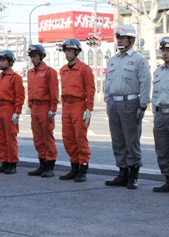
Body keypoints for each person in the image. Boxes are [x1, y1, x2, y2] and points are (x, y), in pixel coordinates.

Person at [104, 24, 151, 190]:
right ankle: (122, 172)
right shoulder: (113, 60)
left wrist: (143, 105)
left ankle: (133, 174)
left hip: (131, 103)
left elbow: (145, 83)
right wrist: (107, 101)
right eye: (118, 38)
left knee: (131, 140)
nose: (120, 41)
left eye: (123, 38)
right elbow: (108, 82)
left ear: (131, 40)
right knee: (117, 140)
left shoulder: (139, 59)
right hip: (114, 103)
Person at [58, 38, 95, 182]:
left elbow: (90, 90)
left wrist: (89, 109)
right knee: (68, 137)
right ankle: (74, 167)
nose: (67, 53)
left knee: (80, 137)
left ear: (77, 52)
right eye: (65, 51)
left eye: (69, 51)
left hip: (79, 105)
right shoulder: (63, 70)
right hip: (66, 106)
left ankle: (83, 167)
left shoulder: (84, 69)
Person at [26, 44, 59, 177]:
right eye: (31, 57)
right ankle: (42, 164)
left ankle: (50, 165)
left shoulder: (49, 72)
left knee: (47, 137)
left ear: (41, 56)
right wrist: (30, 105)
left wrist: (53, 109)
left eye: (34, 56)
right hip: (34, 107)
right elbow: (29, 90)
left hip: (45, 107)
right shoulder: (31, 72)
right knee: (38, 138)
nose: (32, 59)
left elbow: (54, 91)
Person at [151, 36, 169, 194]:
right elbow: (155, 95)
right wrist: (155, 113)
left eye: (168, 50)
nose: (165, 53)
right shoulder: (158, 71)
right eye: (163, 50)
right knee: (162, 150)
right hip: (161, 115)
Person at [0, 50, 25, 174]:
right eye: (0, 60)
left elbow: (19, 96)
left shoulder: (15, 78)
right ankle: (4, 161)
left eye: (4, 60)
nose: (1, 63)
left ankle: (12, 163)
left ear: (10, 62)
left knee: (10, 138)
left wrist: (17, 112)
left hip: (9, 109)